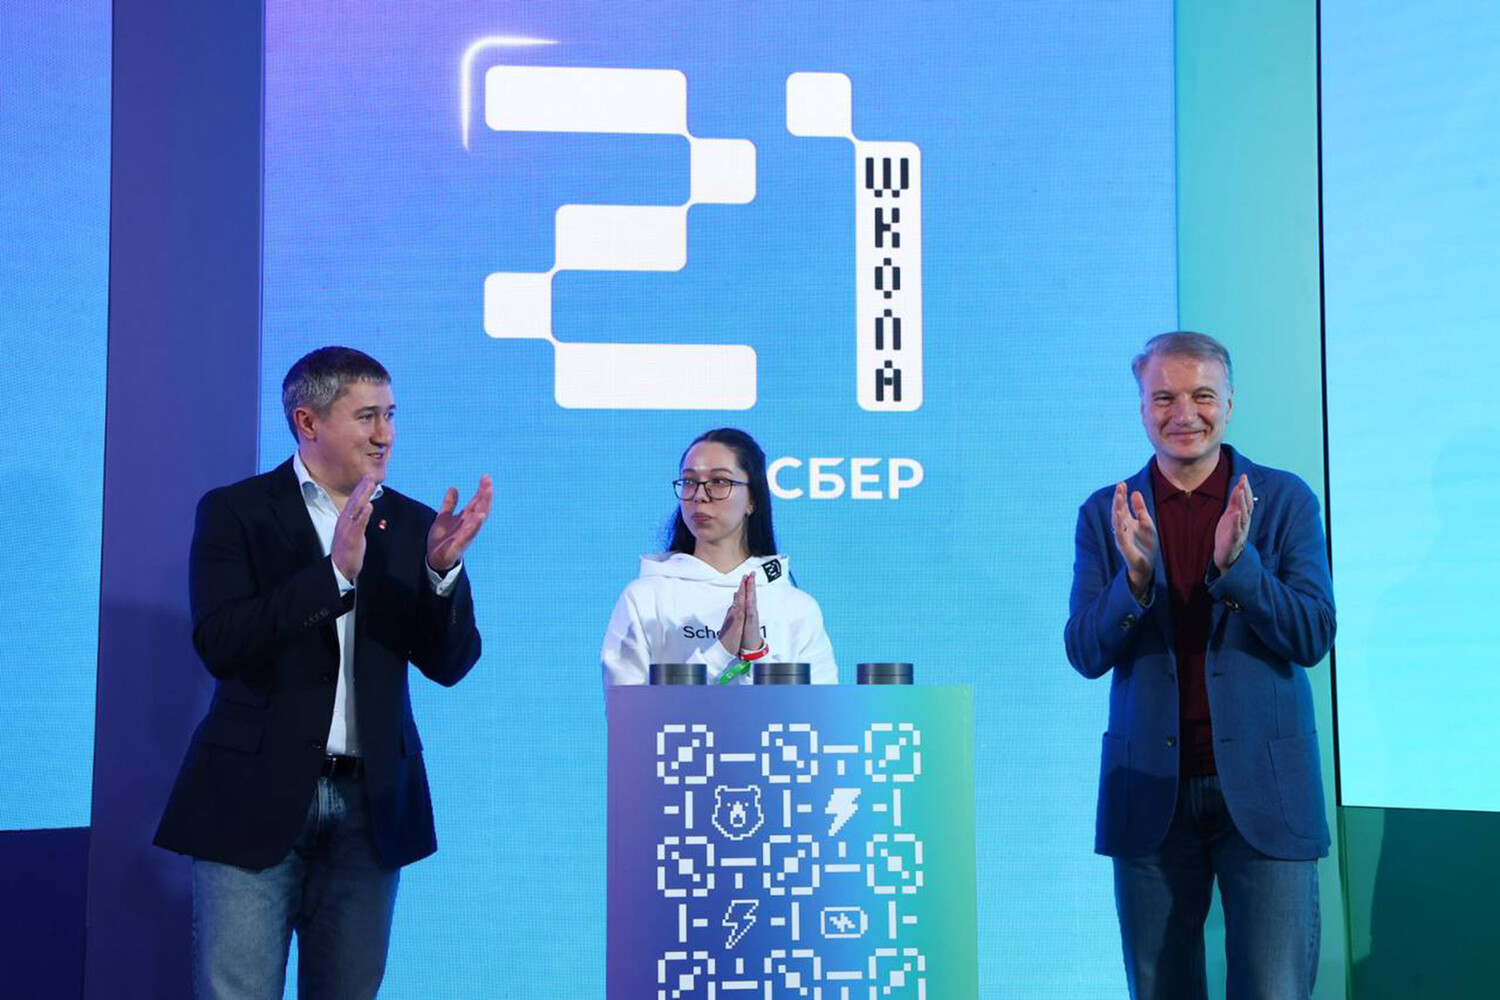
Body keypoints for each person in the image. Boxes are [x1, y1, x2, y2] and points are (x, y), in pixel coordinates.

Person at [154, 346, 493, 1000]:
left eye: (390, 415)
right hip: (252, 798)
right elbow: (221, 644)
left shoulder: (414, 524)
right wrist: (333, 574)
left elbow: (450, 664)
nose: (385, 435)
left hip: (372, 807)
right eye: (367, 417)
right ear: (307, 422)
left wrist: (441, 573)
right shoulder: (237, 512)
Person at [1064, 331, 1336, 1000]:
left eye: (1202, 396)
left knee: (1272, 990)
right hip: (1149, 793)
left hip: (1267, 793)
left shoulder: (1284, 500)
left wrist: (1239, 568)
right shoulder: (1106, 512)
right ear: (1141, 408)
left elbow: (1312, 635)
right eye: (1164, 398)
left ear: (1229, 404)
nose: (1184, 414)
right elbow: (1085, 652)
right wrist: (1132, 581)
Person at [602, 428, 837, 686]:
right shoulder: (644, 598)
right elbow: (627, 708)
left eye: (720, 481)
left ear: (752, 499)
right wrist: (721, 652)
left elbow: (819, 709)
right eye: (689, 481)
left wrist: (755, 653)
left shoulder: (795, 607)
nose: (700, 495)